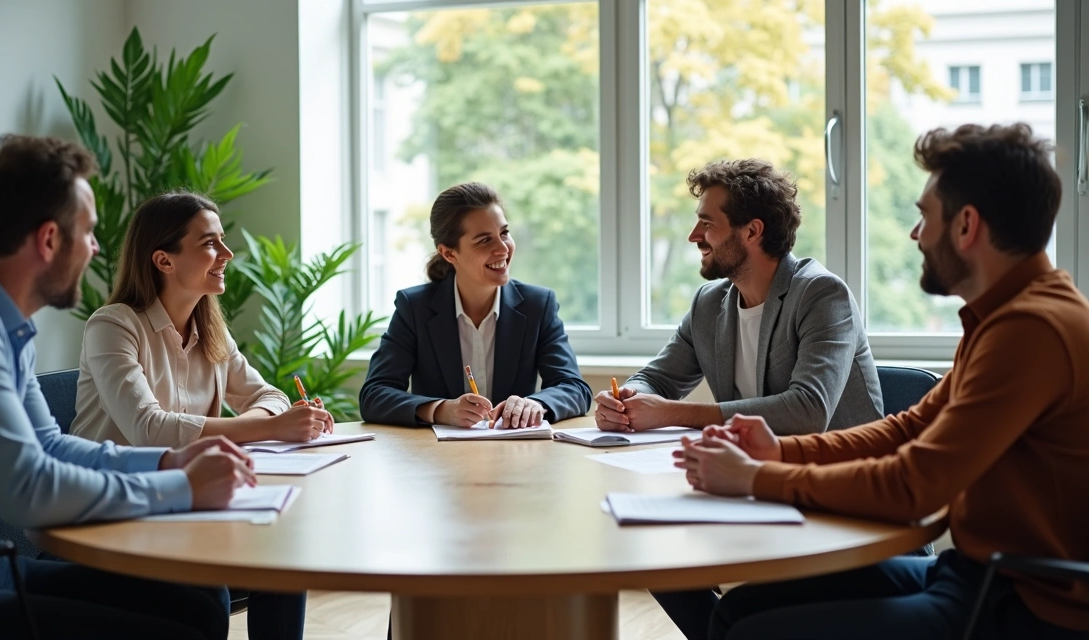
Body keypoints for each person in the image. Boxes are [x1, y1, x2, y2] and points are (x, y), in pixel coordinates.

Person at [680, 123, 1089, 640]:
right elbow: (906, 430)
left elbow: (911, 485)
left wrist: (755, 479)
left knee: (752, 630)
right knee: (736, 612)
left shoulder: (1032, 330)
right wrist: (779, 453)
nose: (916, 235)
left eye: (924, 217)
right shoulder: (1004, 315)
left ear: (967, 226)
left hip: (1028, 605)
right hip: (974, 575)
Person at [0, 135, 256, 639]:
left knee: (200, 602)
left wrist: (168, 461)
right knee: (176, 628)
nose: (97, 247)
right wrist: (182, 486)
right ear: (49, 239)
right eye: (89, 232)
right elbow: (28, 491)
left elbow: (49, 445)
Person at [591, 159, 884, 639]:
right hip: (757, 492)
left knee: (742, 605)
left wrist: (673, 413)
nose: (693, 236)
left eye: (707, 223)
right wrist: (627, 399)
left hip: (838, 502)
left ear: (752, 231)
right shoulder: (712, 304)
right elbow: (657, 377)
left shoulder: (821, 295)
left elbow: (807, 410)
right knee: (646, 547)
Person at [71, 191, 321, 639]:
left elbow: (270, 396)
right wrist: (268, 427)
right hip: (116, 510)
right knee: (207, 594)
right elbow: (149, 429)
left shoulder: (212, 330)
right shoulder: (113, 325)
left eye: (223, 242)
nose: (226, 254)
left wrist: (277, 417)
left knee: (284, 566)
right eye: (210, 244)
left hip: (188, 505)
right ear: (164, 261)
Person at [359, 182, 591, 429]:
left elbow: (575, 388)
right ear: (449, 254)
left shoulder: (537, 305)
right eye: (484, 240)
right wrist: (440, 410)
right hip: (438, 458)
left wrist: (536, 404)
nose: (503, 249)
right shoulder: (415, 307)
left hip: (515, 455)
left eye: (504, 233)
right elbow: (374, 394)